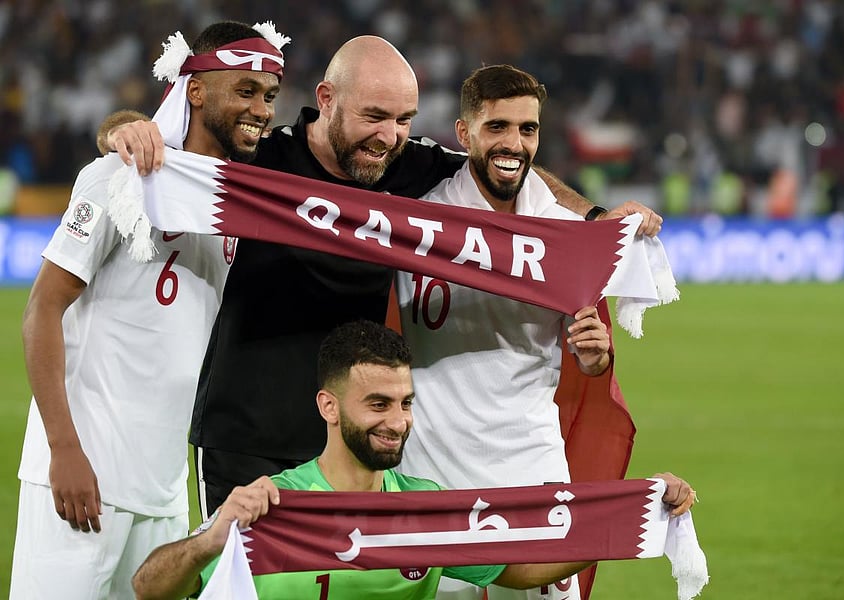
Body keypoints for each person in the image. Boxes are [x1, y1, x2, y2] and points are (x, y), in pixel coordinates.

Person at [106, 35, 664, 522]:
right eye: (374, 116)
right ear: (326, 99)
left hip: (350, 445)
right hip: (248, 437)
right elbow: (169, 149)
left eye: (403, 120)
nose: (389, 136)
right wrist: (123, 130)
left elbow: (502, 156)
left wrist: (593, 218)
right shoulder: (259, 161)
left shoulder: (407, 164)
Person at [10, 21, 286, 599]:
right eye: (245, 90)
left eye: (269, 94)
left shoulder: (239, 202)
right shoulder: (119, 176)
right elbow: (42, 311)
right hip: (83, 474)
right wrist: (63, 450)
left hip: (163, 490)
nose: (261, 108)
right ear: (195, 90)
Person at [130, 320, 696, 600]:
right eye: (377, 404)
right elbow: (148, 588)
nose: (397, 422)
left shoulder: (426, 509)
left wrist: (637, 508)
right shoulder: (274, 505)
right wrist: (210, 539)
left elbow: (524, 566)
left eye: (404, 404)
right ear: (328, 406)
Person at [394, 64, 622, 600]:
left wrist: (595, 357)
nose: (514, 143)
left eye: (528, 129)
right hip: (434, 466)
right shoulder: (413, 221)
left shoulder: (565, 235)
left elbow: (590, 356)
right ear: (464, 133)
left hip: (530, 463)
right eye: (498, 126)